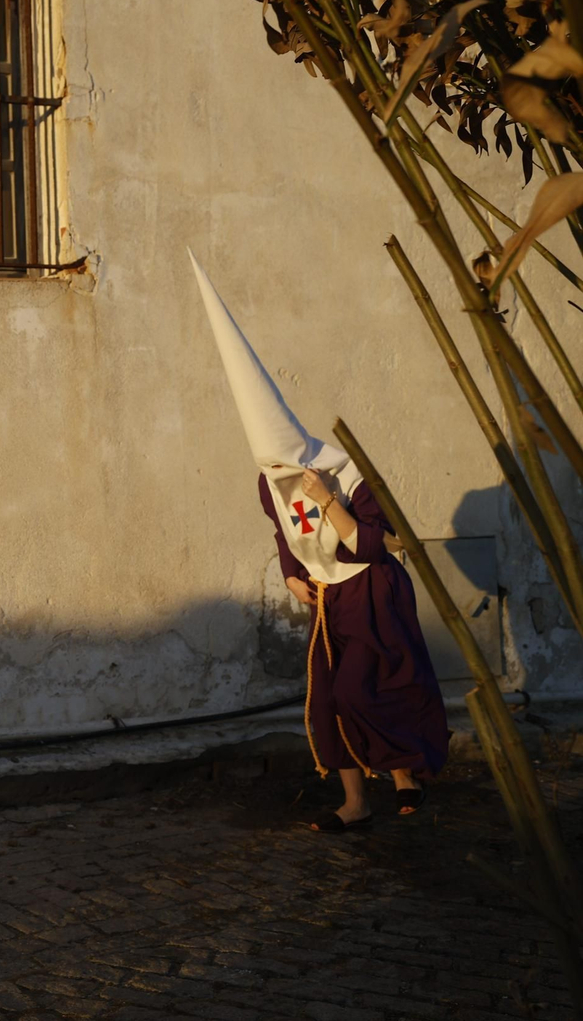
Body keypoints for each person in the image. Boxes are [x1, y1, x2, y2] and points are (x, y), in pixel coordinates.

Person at [190, 252, 450, 833]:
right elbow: (285, 532)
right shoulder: (272, 482)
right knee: (330, 700)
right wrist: (289, 573)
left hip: (372, 591)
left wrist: (328, 497)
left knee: (367, 688)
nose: (280, 473)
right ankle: (356, 802)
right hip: (328, 599)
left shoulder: (343, 469)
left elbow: (373, 544)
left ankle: (406, 772)